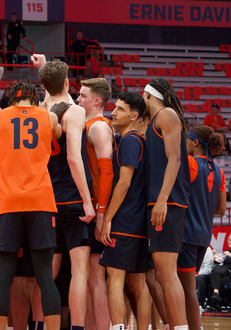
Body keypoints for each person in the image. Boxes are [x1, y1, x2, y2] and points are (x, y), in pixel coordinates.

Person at [0, 81, 62, 330]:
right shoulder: (48, 117)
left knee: (4, 275)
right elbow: (58, 133)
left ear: (11, 97)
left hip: (9, 204)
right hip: (41, 202)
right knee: (45, 276)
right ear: (35, 97)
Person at [37, 59, 95, 330]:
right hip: (71, 197)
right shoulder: (74, 112)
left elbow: (51, 90)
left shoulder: (40, 109)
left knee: (48, 271)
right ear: (67, 83)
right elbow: (74, 158)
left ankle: (40, 325)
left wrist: (44, 66)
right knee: (80, 269)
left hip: (45, 197)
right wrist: (87, 199)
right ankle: (77, 328)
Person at [98, 92, 150, 330]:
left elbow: (124, 182)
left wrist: (107, 218)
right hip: (139, 222)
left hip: (125, 220)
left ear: (134, 116)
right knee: (138, 284)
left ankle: (118, 327)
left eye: (120, 109)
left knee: (115, 280)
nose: (113, 112)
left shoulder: (130, 140)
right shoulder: (137, 140)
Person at [143, 78, 190, 330]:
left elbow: (175, 161)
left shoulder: (166, 115)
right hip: (160, 201)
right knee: (161, 273)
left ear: (147, 94)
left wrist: (161, 200)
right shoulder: (154, 120)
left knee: (167, 272)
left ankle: (180, 327)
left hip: (168, 202)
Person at [177, 125, 226, 330]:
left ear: (195, 142)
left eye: (188, 140)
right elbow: (221, 209)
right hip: (204, 236)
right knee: (186, 286)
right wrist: (203, 203)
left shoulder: (190, 163)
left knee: (185, 288)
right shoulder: (219, 170)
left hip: (186, 233)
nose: (186, 143)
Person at [76, 77, 114, 330]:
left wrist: (101, 214)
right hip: (89, 209)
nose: (78, 99)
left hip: (97, 210)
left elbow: (107, 174)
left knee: (96, 277)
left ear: (97, 100)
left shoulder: (99, 127)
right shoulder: (88, 124)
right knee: (89, 278)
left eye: (82, 96)